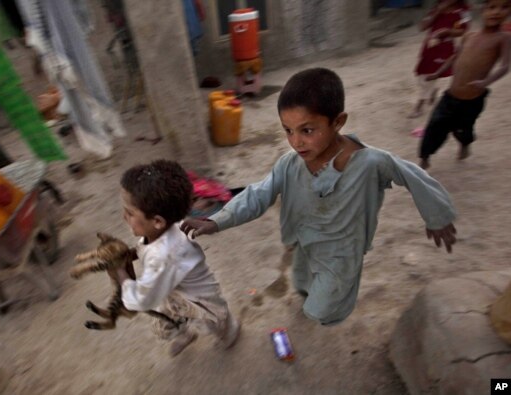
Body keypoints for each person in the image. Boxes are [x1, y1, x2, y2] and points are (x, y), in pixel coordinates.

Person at [181, 68, 457, 327]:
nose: (296, 141)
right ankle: (306, 293)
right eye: (288, 130)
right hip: (303, 240)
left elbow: (414, 177)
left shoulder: (370, 162)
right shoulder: (290, 164)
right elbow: (257, 194)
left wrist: (437, 216)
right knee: (302, 281)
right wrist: (216, 221)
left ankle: (324, 312)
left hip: (341, 252)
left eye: (307, 130)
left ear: (338, 122)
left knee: (323, 309)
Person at [116, 160, 241, 357]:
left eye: (130, 213)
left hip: (199, 299)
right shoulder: (164, 227)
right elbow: (148, 247)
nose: (124, 217)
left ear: (157, 221)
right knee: (168, 320)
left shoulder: (165, 255)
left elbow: (141, 300)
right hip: (172, 292)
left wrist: (121, 273)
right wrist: (134, 252)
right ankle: (187, 334)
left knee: (215, 322)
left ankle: (229, 332)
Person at [419, 0, 511, 169]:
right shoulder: (470, 35)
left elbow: (505, 66)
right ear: (483, 11)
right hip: (451, 95)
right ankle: (424, 158)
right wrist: (438, 73)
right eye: (492, 7)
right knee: (435, 125)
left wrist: (486, 82)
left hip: (472, 99)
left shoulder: (503, 38)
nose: (497, 12)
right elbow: (454, 57)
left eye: (504, 7)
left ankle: (464, 144)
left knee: (463, 129)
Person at [409, 0, 471, 118]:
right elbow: (423, 26)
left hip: (445, 49)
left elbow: (463, 30)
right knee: (421, 75)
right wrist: (438, 11)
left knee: (430, 77)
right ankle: (432, 91)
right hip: (430, 48)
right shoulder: (438, 7)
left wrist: (447, 32)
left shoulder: (463, 11)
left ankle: (419, 107)